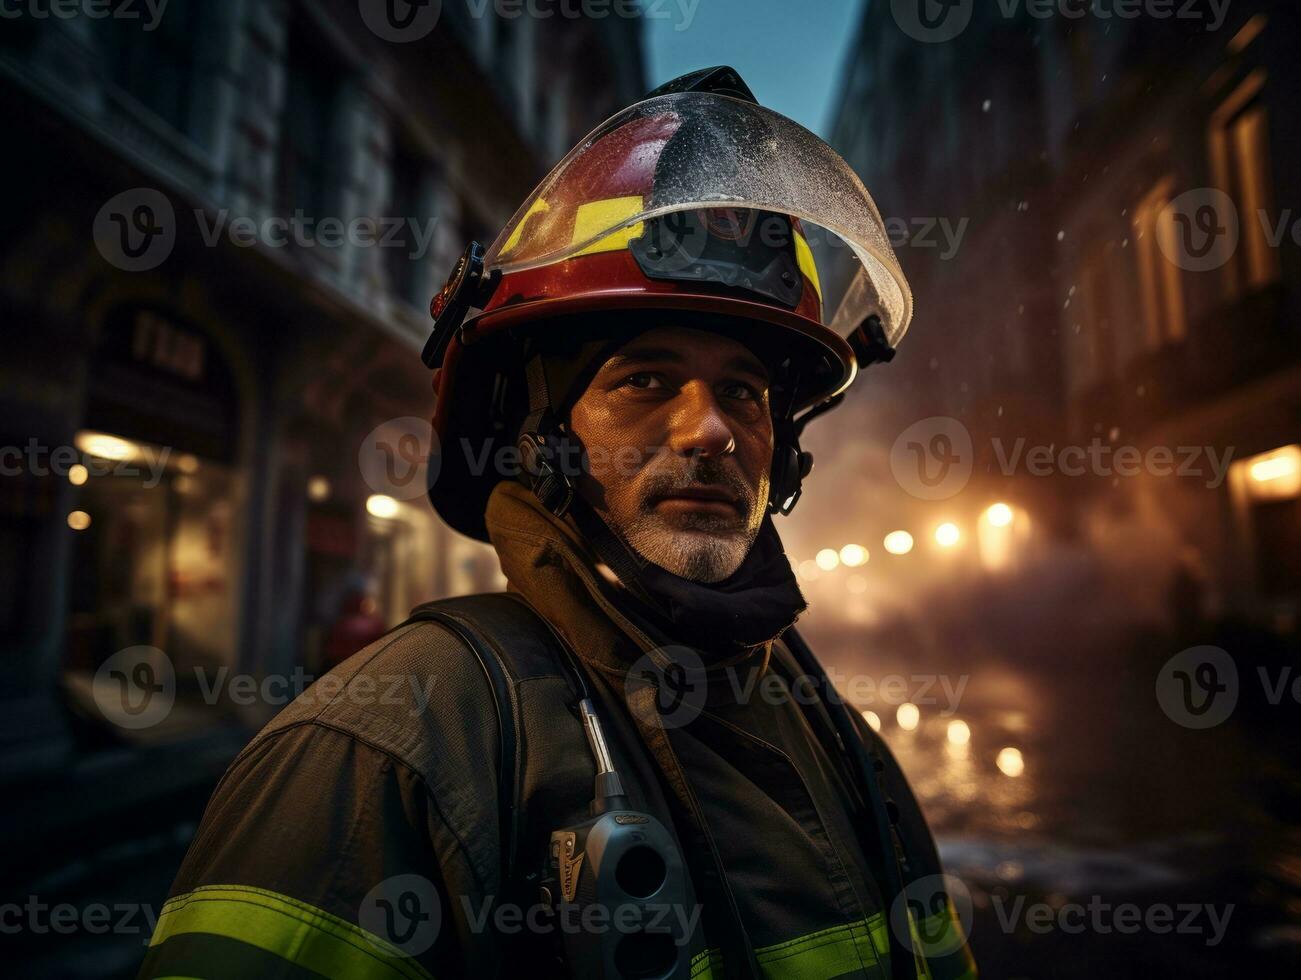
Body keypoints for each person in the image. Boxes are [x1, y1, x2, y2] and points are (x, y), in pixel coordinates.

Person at [139, 68, 977, 980]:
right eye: (643, 380)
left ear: (783, 450)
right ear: (540, 438)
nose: (709, 430)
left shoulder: (840, 745)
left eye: (741, 390)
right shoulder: (380, 751)